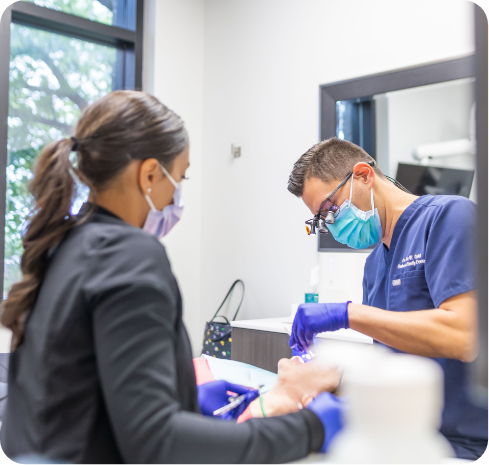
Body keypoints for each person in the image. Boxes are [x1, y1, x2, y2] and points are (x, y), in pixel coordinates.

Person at [0, 91, 342, 465]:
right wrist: (310, 428)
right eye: (180, 177)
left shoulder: (66, 243)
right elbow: (155, 442)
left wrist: (186, 399)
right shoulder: (129, 254)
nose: (178, 194)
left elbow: (84, 385)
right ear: (149, 174)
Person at [286, 137, 489, 460]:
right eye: (322, 221)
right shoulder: (374, 264)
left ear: (364, 175)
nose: (332, 224)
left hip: (468, 444)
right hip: (408, 438)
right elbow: (397, 361)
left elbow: (465, 336)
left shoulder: (449, 217)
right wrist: (331, 379)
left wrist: (348, 314)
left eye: (330, 209)